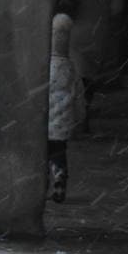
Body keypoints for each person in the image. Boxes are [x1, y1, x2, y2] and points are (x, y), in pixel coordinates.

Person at [48, 13, 86, 204]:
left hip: (44, 124)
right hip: (62, 125)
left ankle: (43, 184)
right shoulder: (71, 69)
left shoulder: (43, 68)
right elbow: (79, 96)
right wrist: (80, 117)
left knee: (43, 156)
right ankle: (60, 178)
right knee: (59, 154)